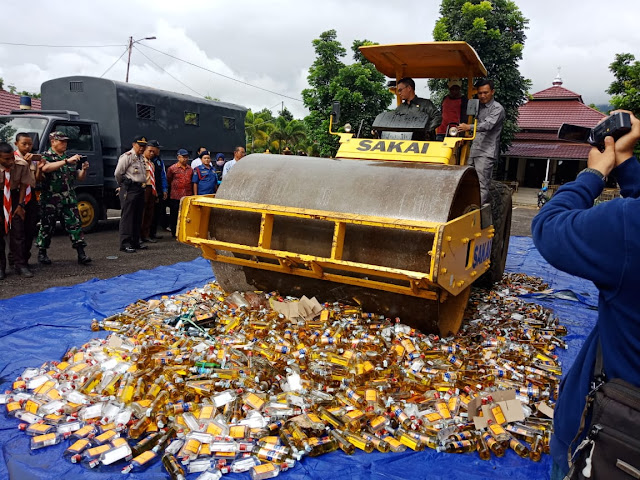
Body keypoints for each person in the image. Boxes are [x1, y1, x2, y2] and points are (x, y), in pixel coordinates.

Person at [531, 110, 640, 480]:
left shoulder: (628, 225)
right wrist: (625, 163)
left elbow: (548, 227)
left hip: (616, 436)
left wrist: (593, 173)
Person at [35, 131, 91, 265]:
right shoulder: (45, 156)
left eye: (66, 141)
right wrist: (65, 161)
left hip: (68, 198)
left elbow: (79, 178)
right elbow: (46, 169)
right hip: (51, 199)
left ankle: (81, 254)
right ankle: (42, 252)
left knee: (75, 225)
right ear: (53, 142)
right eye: (61, 141)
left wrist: (84, 169)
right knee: (47, 226)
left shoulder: (68, 158)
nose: (64, 144)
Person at [458, 78, 505, 205]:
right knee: (466, 180)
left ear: (492, 92)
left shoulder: (497, 109)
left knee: (481, 184)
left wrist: (469, 127)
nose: (483, 96)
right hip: (473, 150)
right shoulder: (476, 105)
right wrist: (464, 134)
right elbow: (466, 117)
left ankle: (476, 215)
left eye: (486, 92)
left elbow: (487, 125)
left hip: (486, 153)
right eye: (480, 93)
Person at [12, 133, 43, 270]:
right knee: (17, 231)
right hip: (16, 196)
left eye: (29, 144)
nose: (27, 147)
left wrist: (37, 167)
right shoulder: (11, 158)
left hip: (31, 196)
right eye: (24, 144)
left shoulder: (33, 159)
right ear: (16, 144)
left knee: (30, 230)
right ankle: (16, 259)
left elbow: (36, 180)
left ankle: (25, 257)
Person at [0, 141, 30, 279]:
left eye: (12, 157)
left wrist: (20, 205)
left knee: (18, 233)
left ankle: (20, 265)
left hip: (15, 196)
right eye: (6, 159)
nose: (11, 161)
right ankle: (1, 268)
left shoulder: (21, 164)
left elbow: (24, 185)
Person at [114, 135, 148, 253]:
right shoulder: (127, 157)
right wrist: (122, 185)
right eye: (140, 145)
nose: (142, 148)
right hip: (130, 188)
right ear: (134, 144)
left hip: (139, 188)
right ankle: (125, 243)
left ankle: (135, 241)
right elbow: (118, 173)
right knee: (128, 216)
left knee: (138, 216)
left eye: (144, 146)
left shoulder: (141, 158)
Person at [166, 148, 193, 237]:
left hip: (187, 195)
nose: (185, 159)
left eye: (186, 157)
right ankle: (175, 232)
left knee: (186, 215)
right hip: (176, 196)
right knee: (175, 215)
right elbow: (168, 180)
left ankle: (185, 232)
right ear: (178, 157)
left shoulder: (190, 169)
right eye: (183, 157)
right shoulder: (172, 168)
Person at [140, 140, 163, 243]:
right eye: (150, 151)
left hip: (152, 189)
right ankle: (139, 236)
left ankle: (146, 235)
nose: (152, 153)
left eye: (153, 152)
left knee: (150, 213)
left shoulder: (151, 163)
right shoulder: (140, 161)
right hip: (143, 188)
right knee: (142, 213)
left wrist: (156, 192)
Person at [147, 140, 168, 241]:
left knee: (156, 213)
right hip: (149, 190)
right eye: (157, 149)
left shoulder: (159, 160)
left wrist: (164, 189)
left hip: (158, 190)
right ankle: (147, 234)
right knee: (148, 214)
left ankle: (153, 233)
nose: (158, 150)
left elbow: (163, 175)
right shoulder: (146, 160)